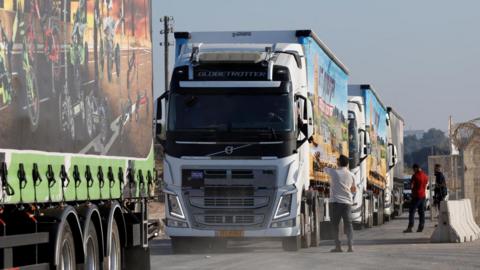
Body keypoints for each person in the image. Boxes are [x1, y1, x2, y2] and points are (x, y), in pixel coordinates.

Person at [325, 154, 356, 252]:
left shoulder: (334, 172)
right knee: (349, 224)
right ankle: (350, 246)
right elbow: (354, 189)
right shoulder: (351, 175)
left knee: (335, 225)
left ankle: (338, 246)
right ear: (347, 164)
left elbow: (324, 167)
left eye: (337, 160)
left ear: (339, 162)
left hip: (336, 202)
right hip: (347, 203)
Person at [403, 164, 429, 233]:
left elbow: (411, 186)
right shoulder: (425, 176)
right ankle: (421, 226)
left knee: (412, 211)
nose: (413, 171)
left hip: (416, 196)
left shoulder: (415, 176)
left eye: (413, 169)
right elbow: (426, 184)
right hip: (423, 196)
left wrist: (412, 187)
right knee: (421, 212)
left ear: (416, 168)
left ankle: (410, 227)